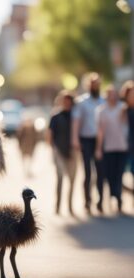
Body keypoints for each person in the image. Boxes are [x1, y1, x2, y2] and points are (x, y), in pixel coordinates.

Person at [72, 72, 104, 214]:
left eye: (97, 83)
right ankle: (87, 201)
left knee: (101, 173)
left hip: (101, 141)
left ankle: (101, 201)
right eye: (92, 83)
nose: (95, 85)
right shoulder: (82, 102)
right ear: (88, 85)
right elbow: (76, 122)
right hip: (86, 140)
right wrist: (75, 138)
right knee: (88, 173)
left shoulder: (104, 101)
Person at [95, 86, 128, 213]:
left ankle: (118, 198)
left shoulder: (123, 108)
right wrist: (98, 148)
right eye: (111, 94)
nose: (113, 97)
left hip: (122, 146)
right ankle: (112, 195)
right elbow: (100, 131)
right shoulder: (101, 111)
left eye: (115, 94)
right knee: (109, 174)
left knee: (119, 174)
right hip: (108, 147)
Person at [48, 90, 77, 215]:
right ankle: (58, 206)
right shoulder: (55, 116)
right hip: (59, 151)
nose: (66, 104)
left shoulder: (76, 116)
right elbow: (49, 134)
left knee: (72, 179)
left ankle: (70, 206)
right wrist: (52, 149)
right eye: (64, 101)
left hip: (73, 151)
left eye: (69, 102)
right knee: (60, 178)